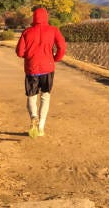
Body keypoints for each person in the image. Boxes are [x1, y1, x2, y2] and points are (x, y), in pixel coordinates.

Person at [15, 7, 67, 138]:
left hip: (32, 69)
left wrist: (29, 55)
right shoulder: (53, 30)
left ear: (34, 17)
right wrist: (56, 58)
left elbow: (20, 52)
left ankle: (33, 116)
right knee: (45, 97)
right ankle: (41, 127)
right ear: (46, 17)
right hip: (48, 68)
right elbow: (62, 46)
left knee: (31, 96)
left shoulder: (27, 32)